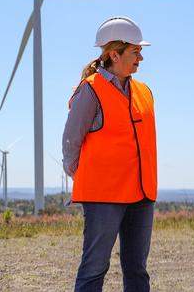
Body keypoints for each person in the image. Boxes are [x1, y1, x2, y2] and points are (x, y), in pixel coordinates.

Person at [62, 16, 158, 292]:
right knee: (94, 269)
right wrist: (83, 173)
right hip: (103, 196)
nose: (141, 57)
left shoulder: (144, 91)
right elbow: (71, 140)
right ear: (114, 55)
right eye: (135, 51)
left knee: (137, 269)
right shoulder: (90, 89)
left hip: (141, 194)